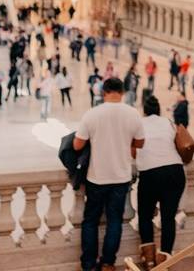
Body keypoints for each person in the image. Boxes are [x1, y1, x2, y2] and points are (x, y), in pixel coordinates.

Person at [74, 78, 145, 271]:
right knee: (115, 221)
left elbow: (77, 145)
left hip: (96, 177)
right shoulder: (133, 114)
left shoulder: (92, 114)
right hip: (121, 177)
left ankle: (89, 265)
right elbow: (140, 143)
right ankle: (108, 263)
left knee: (90, 221)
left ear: (103, 92)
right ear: (122, 93)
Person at [134, 96, 185, 267]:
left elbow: (134, 151)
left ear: (144, 109)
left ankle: (149, 259)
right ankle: (163, 262)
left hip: (150, 173)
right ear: (159, 109)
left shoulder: (139, 123)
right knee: (168, 218)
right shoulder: (168, 122)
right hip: (174, 171)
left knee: (145, 216)